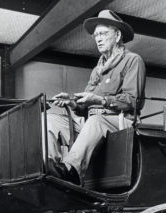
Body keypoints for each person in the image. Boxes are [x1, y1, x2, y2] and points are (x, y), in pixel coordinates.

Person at [46, 10, 146, 185]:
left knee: (95, 121)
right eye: (96, 35)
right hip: (95, 121)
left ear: (117, 35)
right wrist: (72, 103)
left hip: (122, 123)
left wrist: (100, 100)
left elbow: (133, 101)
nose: (98, 38)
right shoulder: (97, 69)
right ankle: (51, 167)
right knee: (49, 119)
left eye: (103, 33)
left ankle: (70, 171)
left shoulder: (133, 60)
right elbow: (84, 106)